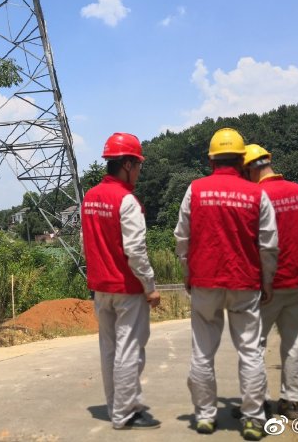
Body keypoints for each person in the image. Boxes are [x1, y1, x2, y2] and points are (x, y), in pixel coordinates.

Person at [174, 127, 279, 441]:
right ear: (242, 160)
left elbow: (182, 237)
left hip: (205, 281)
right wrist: (267, 281)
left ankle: (206, 417)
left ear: (211, 161)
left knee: (202, 352)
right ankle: (253, 419)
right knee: (250, 352)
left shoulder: (195, 190)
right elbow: (269, 245)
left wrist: (188, 272)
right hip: (245, 283)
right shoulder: (257, 194)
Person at [81, 132, 162, 430]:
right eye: (138, 165)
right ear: (127, 164)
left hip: (101, 288)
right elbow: (136, 250)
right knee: (130, 350)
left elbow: (85, 243)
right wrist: (150, 286)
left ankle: (117, 406)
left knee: (110, 350)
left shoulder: (90, 197)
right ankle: (126, 413)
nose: (139, 171)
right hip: (127, 288)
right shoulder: (127, 200)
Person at [243, 144, 298, 420]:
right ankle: (292, 403)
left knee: (254, 346)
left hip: (266, 286)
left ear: (250, 169)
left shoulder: (255, 197)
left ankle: (258, 404)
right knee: (294, 344)